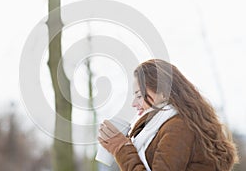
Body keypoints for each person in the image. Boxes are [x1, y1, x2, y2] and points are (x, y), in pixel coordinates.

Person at [98, 59, 239, 171]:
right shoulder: (161, 125)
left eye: (139, 95)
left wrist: (121, 147)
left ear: (163, 93)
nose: (134, 103)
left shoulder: (179, 127)